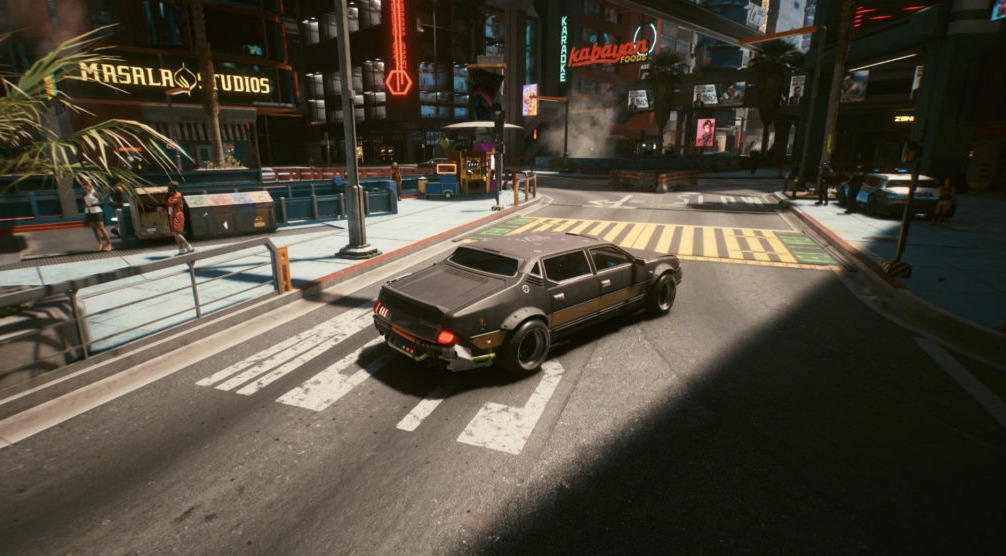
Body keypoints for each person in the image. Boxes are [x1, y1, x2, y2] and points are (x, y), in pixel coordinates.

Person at [162, 181, 194, 255]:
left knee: (175, 232)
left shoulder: (177, 194)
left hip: (177, 215)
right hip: (171, 215)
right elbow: (163, 201)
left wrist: (168, 199)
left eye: (170, 186)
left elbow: (170, 203)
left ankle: (188, 247)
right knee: (176, 233)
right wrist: (167, 196)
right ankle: (181, 250)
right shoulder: (169, 195)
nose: (168, 187)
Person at [80, 176, 112, 251]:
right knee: (94, 228)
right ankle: (100, 243)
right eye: (84, 186)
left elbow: (102, 202)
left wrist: (92, 205)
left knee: (101, 228)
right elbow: (84, 202)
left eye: (86, 186)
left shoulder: (95, 192)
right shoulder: (84, 194)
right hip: (89, 212)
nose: (85, 188)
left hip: (97, 211)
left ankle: (109, 243)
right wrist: (85, 205)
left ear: (90, 185)